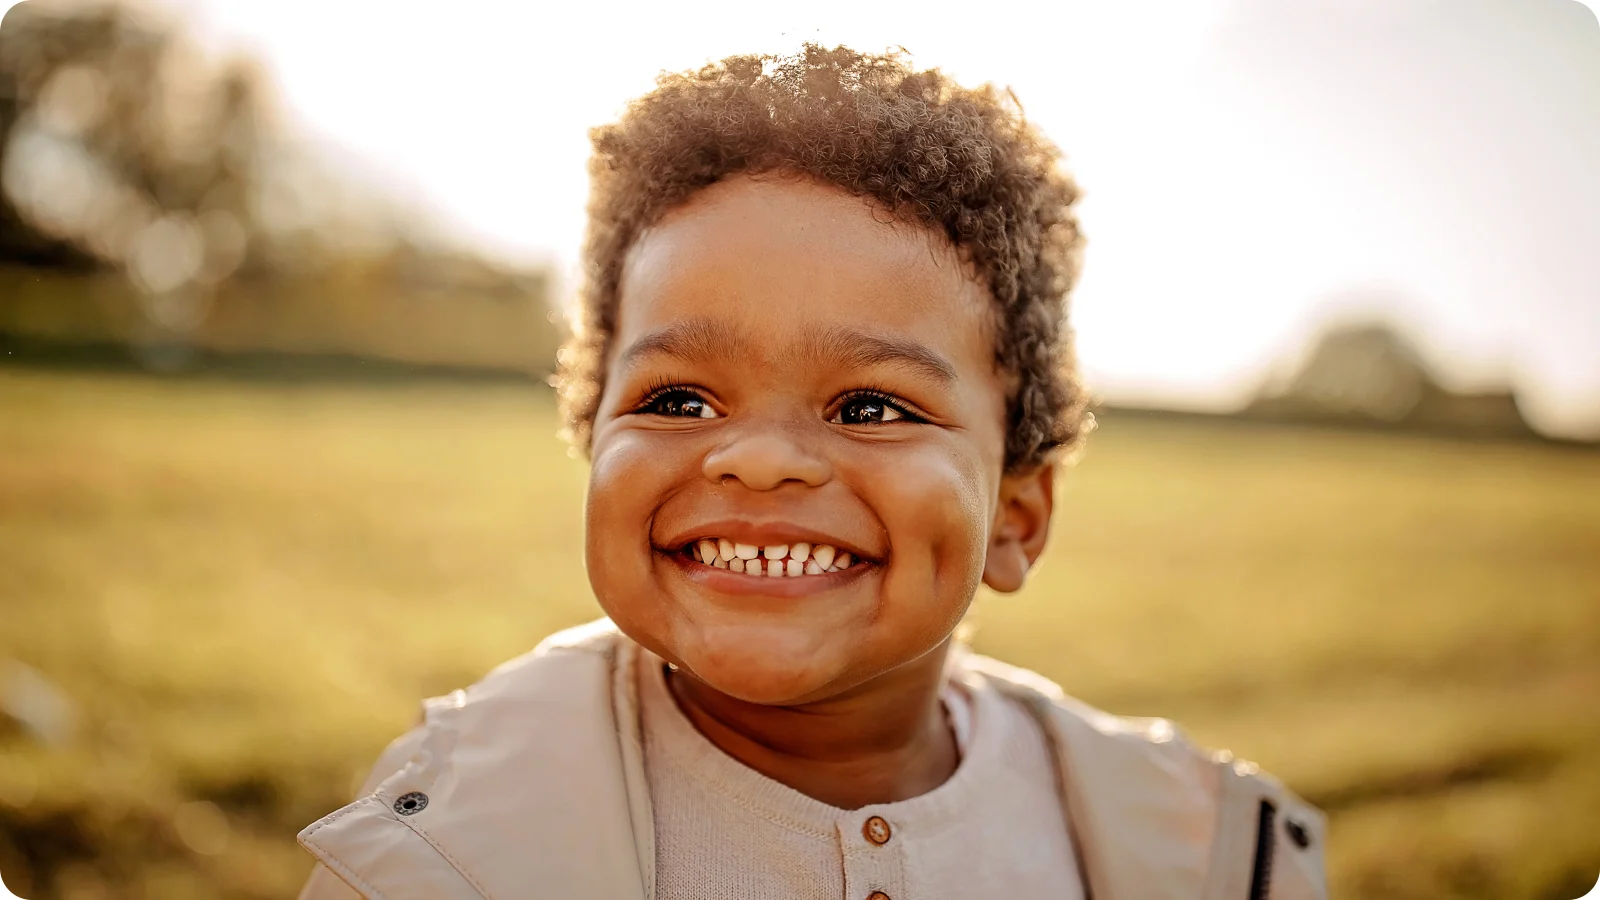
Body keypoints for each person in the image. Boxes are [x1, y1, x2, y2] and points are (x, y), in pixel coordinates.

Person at [295, 45, 1326, 900]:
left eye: (871, 407)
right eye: (678, 400)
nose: (755, 458)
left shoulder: (1195, 853)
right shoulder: (443, 845)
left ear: (1015, 517)